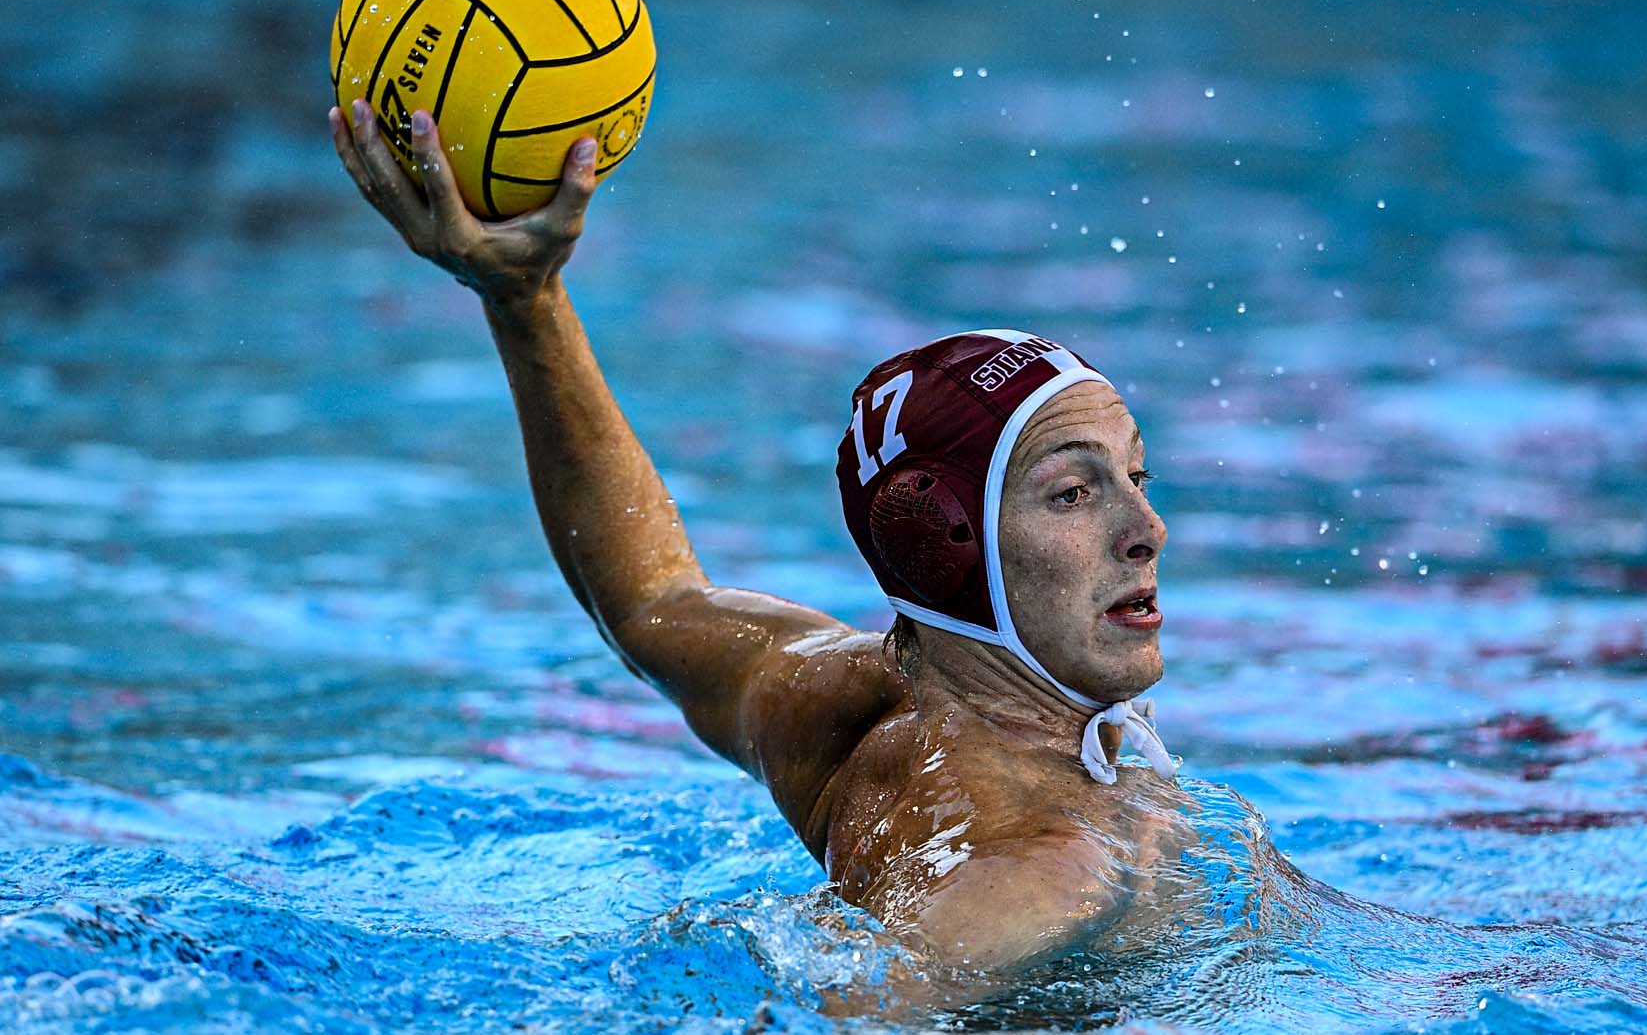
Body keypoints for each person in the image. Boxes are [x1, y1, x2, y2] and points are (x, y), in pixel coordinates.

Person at [327, 101, 1210, 983]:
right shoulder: (1043, 877)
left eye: (1137, 475)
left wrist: (525, 299)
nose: (1148, 530)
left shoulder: (851, 704)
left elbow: (652, 601)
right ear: (941, 546)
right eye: (1072, 493)